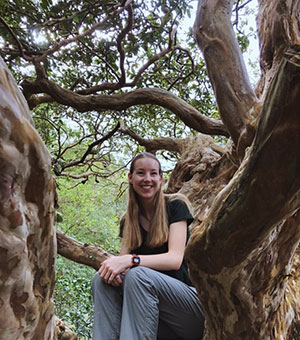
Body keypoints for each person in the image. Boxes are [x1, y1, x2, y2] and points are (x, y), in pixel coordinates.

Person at [92, 152, 205, 340]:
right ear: (130, 178)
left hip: (189, 312)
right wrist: (114, 269)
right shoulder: (128, 221)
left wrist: (132, 260)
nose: (147, 179)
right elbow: (121, 269)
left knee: (138, 275)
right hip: (152, 314)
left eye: (153, 174)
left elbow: (175, 259)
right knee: (102, 280)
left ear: (161, 179)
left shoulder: (176, 206)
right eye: (141, 173)